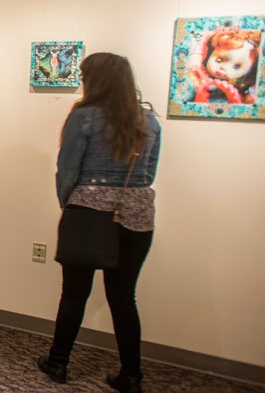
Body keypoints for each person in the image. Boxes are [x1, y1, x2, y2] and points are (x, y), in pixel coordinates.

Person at [36, 53, 162, 393]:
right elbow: (148, 173)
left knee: (74, 293)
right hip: (137, 215)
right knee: (124, 297)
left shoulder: (84, 116)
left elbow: (68, 171)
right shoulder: (149, 121)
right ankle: (131, 376)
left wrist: (72, 205)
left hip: (88, 210)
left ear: (95, 80)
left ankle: (58, 363)